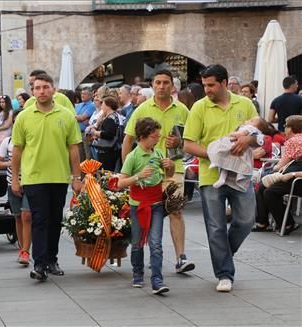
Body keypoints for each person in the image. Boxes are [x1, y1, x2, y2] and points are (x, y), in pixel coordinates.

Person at [183, 64, 259, 292]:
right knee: (215, 227)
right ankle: (225, 274)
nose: (207, 89)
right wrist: (216, 155)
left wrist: (249, 140)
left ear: (224, 83)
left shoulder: (244, 104)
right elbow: (188, 143)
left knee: (247, 220)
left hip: (242, 174)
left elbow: (258, 133)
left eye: (211, 85)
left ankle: (224, 252)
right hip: (210, 174)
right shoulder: (199, 107)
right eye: (205, 85)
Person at [11, 73, 82, 281]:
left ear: (53, 89)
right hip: (34, 177)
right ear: (32, 91)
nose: (41, 91)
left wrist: (76, 176)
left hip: (59, 176)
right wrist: (15, 178)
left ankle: (52, 258)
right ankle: (40, 264)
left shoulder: (66, 115)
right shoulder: (24, 116)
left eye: (45, 87)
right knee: (40, 219)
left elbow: (74, 149)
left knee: (55, 220)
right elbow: (17, 150)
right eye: (37, 88)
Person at [123, 69, 194, 274]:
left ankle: (181, 257)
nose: (161, 86)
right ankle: (144, 256)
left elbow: (190, 141)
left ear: (172, 86)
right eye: (158, 82)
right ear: (152, 85)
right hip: (146, 171)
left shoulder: (182, 110)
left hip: (173, 168)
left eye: (165, 83)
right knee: (145, 214)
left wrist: (179, 143)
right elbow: (128, 139)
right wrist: (127, 172)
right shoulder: (142, 109)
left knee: (175, 210)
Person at [117, 117, 175, 294]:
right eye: (154, 137)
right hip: (138, 205)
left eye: (158, 136)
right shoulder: (132, 157)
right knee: (137, 242)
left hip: (156, 203)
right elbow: (120, 183)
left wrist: (170, 166)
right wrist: (138, 177)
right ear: (142, 137)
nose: (157, 140)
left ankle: (157, 279)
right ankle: (138, 273)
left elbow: (168, 174)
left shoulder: (157, 153)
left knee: (155, 242)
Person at [0, 110, 32, 266]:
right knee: (17, 216)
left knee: (27, 216)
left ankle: (25, 251)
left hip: (30, 182)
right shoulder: (7, 141)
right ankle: (22, 247)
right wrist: (12, 163)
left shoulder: (32, 140)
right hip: (12, 182)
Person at [254, 115, 302, 234]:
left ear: (290, 128)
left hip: (296, 179)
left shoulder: (292, 141)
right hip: (296, 177)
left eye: (286, 126)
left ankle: (281, 223)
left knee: (266, 189)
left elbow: (280, 165)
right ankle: (278, 222)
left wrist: (275, 170)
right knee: (264, 187)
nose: (284, 128)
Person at [89, 96, 120, 171]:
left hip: (108, 151)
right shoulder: (112, 116)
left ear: (107, 106)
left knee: (106, 172)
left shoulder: (111, 118)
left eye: (102, 104)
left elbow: (109, 134)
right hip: (108, 150)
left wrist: (96, 132)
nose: (101, 107)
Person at [75, 87, 96, 161]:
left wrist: (80, 118)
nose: (82, 95)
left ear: (90, 95)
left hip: (86, 133)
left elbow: (82, 118)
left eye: (85, 94)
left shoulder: (92, 105)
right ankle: (81, 171)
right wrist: (80, 118)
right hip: (77, 133)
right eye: (82, 93)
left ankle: (88, 171)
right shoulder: (79, 105)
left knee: (87, 154)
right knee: (80, 154)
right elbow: (75, 117)